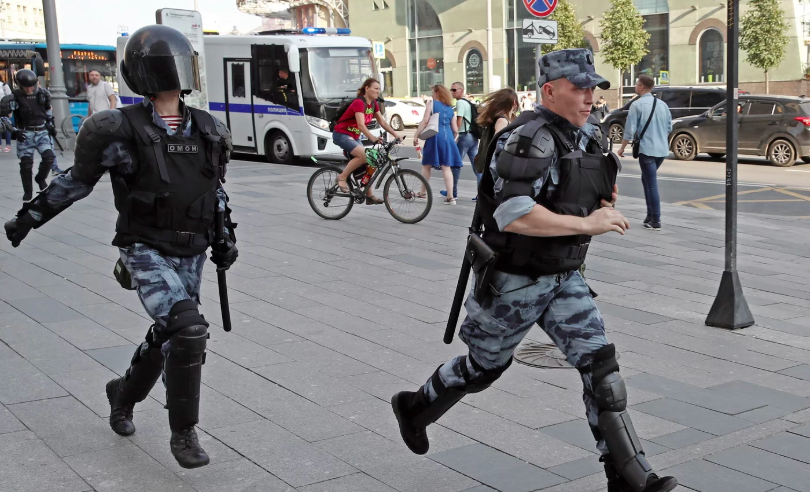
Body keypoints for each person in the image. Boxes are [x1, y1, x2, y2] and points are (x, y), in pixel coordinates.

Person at [390, 49, 678, 493]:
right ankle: (414, 407)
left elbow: (582, 192)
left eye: (593, 88)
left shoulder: (587, 135)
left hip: (563, 276)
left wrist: (598, 201)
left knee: (602, 370)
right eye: (578, 88)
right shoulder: (527, 138)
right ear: (549, 91)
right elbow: (514, 215)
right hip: (515, 281)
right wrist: (587, 224)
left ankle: (628, 477)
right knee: (483, 368)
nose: (590, 97)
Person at [3, 25, 238, 470]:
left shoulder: (210, 128)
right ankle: (184, 432)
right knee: (188, 330)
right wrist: (31, 216)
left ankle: (122, 394)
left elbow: (215, 189)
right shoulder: (116, 128)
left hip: (192, 249)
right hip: (144, 247)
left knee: (172, 333)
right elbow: (78, 181)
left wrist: (225, 235)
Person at [334, 78, 403, 204]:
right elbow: (361, 125)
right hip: (342, 134)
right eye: (376, 88)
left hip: (354, 136)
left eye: (379, 89)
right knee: (363, 156)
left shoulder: (373, 104)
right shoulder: (359, 103)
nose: (378, 91)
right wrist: (373, 138)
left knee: (370, 161)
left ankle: (369, 196)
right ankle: (342, 177)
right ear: (367, 88)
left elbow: (382, 122)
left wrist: (395, 135)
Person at [617, 75, 672, 231]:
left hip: (647, 150)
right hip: (662, 150)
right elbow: (669, 127)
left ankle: (655, 220)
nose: (635, 86)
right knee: (646, 179)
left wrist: (622, 148)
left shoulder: (637, 105)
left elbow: (630, 129)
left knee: (651, 183)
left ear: (641, 87)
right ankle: (650, 215)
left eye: (636, 84)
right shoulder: (663, 105)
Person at [0, 69, 56, 202]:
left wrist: (51, 124)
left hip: (41, 131)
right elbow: (3, 117)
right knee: (26, 164)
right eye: (27, 87)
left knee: (49, 157)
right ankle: (28, 191)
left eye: (32, 86)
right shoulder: (13, 98)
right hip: (25, 132)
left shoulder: (43, 94)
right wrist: (14, 131)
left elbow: (48, 110)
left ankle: (40, 178)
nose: (30, 89)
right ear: (20, 85)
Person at [413, 84, 462, 205]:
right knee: (446, 167)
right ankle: (450, 197)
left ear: (438, 93)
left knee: (426, 165)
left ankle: (423, 192)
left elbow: (425, 121)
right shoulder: (450, 108)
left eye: (433, 92)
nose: (431, 95)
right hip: (448, 137)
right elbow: (455, 130)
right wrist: (452, 139)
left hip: (434, 137)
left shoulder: (431, 104)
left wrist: (416, 135)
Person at [472, 88, 519, 199]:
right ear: (514, 102)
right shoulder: (502, 120)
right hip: (497, 167)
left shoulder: (506, 119)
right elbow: (497, 143)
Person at [440, 82, 478, 201]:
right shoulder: (467, 102)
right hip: (473, 136)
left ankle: (453, 192)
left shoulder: (461, 102)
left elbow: (459, 120)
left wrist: (453, 135)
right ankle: (482, 194)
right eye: (451, 90)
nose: (452, 92)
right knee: (477, 167)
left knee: (455, 164)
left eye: (454, 90)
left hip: (464, 136)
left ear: (461, 90)